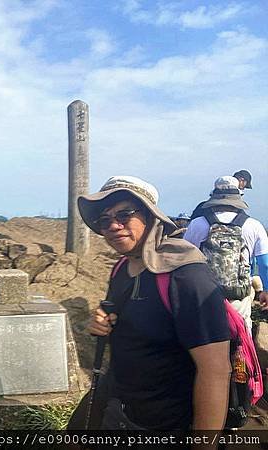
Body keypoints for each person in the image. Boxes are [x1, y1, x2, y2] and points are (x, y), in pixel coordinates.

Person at [78, 176, 231, 431]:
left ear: (151, 217)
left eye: (124, 215)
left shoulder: (186, 276)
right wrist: (102, 323)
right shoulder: (122, 268)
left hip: (166, 425)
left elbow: (215, 371)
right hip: (118, 412)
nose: (113, 226)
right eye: (104, 220)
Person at [184, 176, 268, 330]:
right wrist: (266, 290)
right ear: (238, 197)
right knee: (240, 337)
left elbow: (185, 262)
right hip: (239, 298)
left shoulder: (197, 224)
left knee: (207, 337)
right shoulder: (253, 225)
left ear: (213, 196)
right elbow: (265, 264)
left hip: (204, 295)